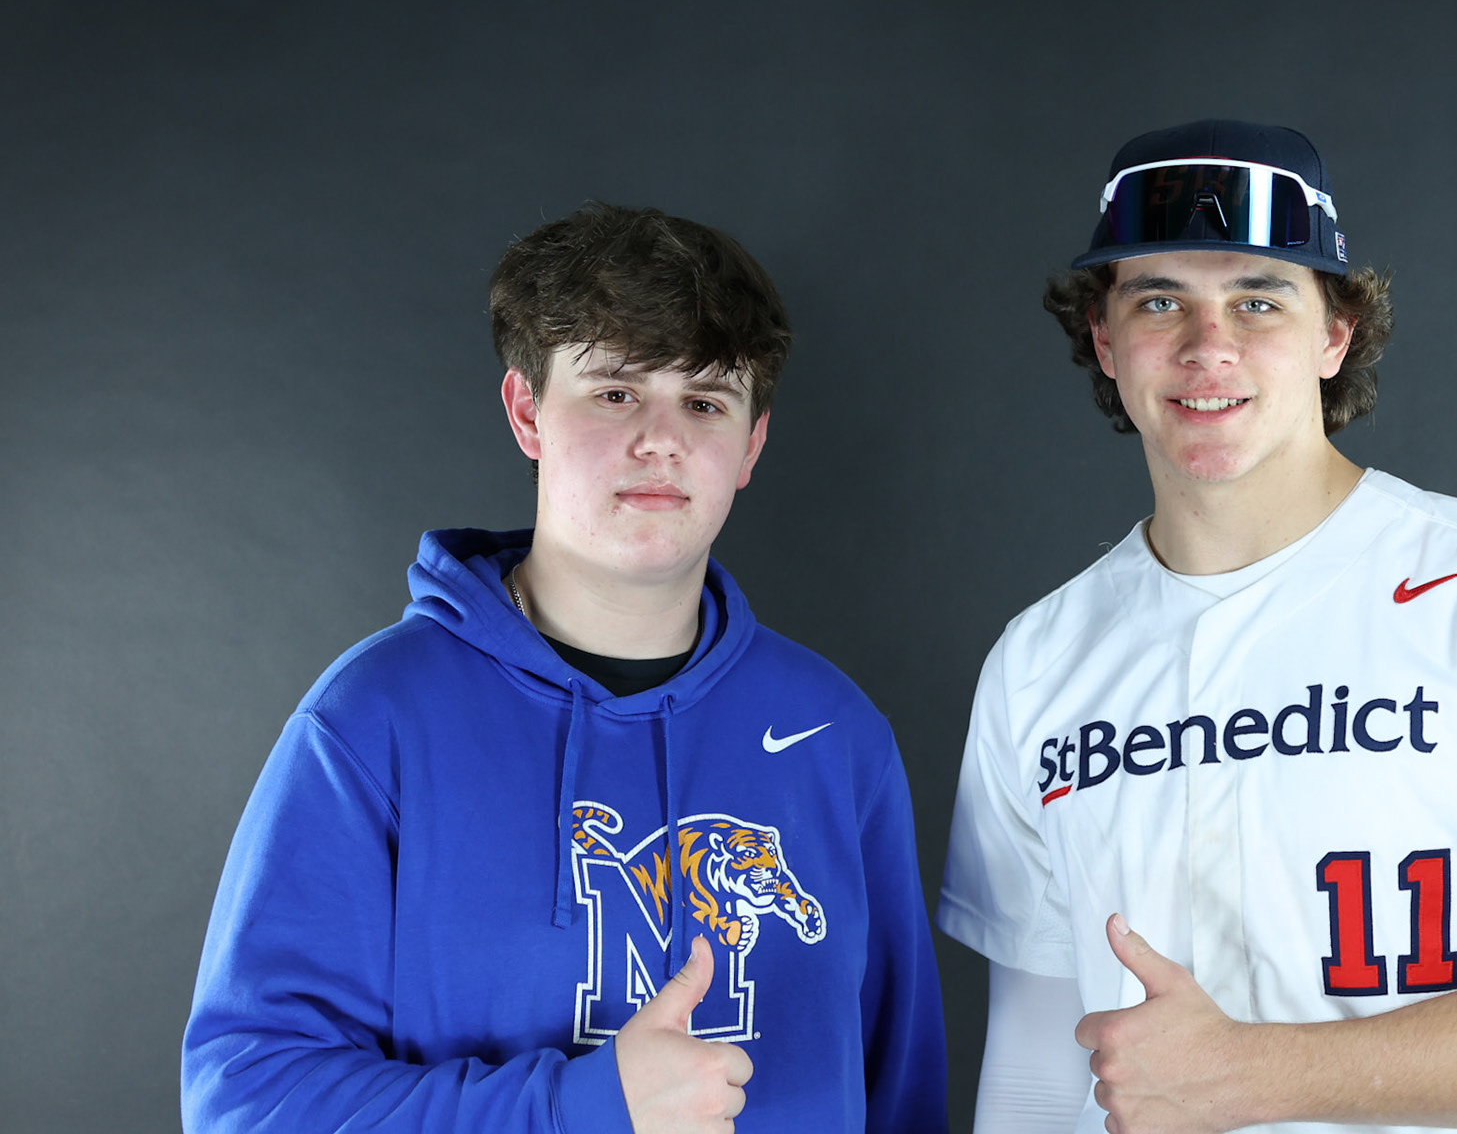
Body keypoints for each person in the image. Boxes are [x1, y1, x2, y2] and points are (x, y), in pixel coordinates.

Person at [938, 120, 1457, 1134]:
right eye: (1159, 299)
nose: (1209, 345)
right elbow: (1039, 1067)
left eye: (1260, 299)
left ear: (1334, 333)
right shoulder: (1039, 660)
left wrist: (1250, 1074)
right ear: (1105, 340)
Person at [183, 204, 947, 1133]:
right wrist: (583, 1105)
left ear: (749, 446)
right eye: (616, 392)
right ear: (526, 411)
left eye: (704, 402)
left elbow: (902, 1098)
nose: (660, 439)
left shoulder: (837, 734)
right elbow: (249, 1101)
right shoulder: (376, 721)